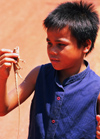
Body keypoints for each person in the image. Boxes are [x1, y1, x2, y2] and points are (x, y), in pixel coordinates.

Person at [0, 0, 100, 138]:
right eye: (49, 43)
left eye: (60, 44)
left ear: (86, 45)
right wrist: (2, 78)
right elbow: (3, 109)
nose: (52, 50)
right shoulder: (38, 75)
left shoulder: (97, 89)